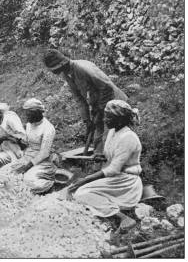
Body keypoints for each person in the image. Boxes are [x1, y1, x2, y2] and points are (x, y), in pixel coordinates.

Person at [69, 100, 142, 231]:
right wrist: (102, 157)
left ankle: (123, 218)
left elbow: (114, 169)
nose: (104, 119)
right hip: (116, 177)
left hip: (126, 182)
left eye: (108, 116)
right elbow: (113, 157)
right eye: (105, 115)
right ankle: (105, 206)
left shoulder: (129, 138)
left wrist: (85, 179)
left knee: (81, 193)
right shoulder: (112, 132)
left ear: (119, 120)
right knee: (79, 190)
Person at [43, 49, 128, 158]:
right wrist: (86, 119)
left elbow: (106, 87)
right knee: (98, 133)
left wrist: (101, 108)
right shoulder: (67, 74)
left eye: (55, 69)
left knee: (109, 134)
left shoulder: (82, 67)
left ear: (62, 64)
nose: (54, 72)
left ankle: (110, 161)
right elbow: (79, 98)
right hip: (98, 104)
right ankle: (97, 160)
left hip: (115, 103)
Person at [10, 98, 57, 194]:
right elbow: (28, 143)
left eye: (28, 114)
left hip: (43, 161)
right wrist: (19, 141)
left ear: (37, 113)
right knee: (8, 173)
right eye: (25, 113)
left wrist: (27, 166)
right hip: (28, 156)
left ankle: (49, 185)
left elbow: (44, 153)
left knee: (28, 181)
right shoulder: (29, 124)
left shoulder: (48, 128)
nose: (26, 116)